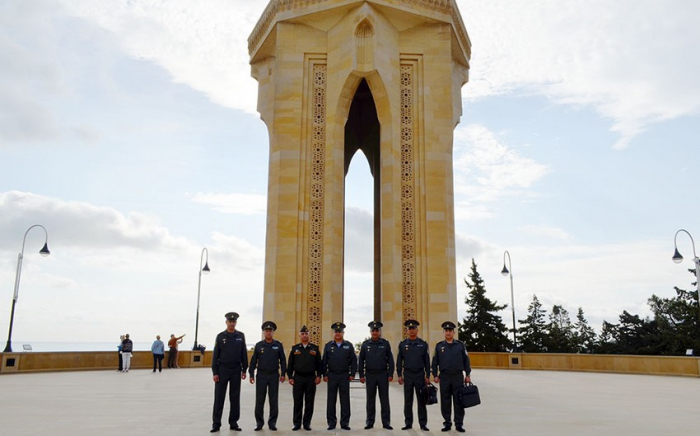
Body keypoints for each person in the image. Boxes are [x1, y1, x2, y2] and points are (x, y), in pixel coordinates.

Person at [431, 321, 471, 433]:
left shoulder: (460, 345)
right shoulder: (439, 346)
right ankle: (447, 423)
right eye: (446, 331)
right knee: (445, 401)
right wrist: (435, 375)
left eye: (450, 331)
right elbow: (435, 362)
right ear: (444, 332)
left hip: (457, 376)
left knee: (458, 401)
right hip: (444, 377)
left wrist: (467, 374)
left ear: (454, 332)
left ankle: (459, 424)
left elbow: (466, 361)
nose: (448, 333)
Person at [211, 312, 248, 433]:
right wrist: (215, 372)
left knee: (235, 397)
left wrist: (244, 370)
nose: (232, 323)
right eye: (230, 321)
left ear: (236, 323)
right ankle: (216, 424)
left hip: (236, 370)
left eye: (234, 321)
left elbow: (244, 354)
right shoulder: (221, 336)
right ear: (226, 322)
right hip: (222, 370)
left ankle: (233, 422)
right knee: (219, 397)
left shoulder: (240, 336)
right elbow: (215, 355)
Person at [249, 321, 287, 431]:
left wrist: (283, 373)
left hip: (274, 375)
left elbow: (283, 360)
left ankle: (272, 423)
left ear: (273, 332)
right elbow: (253, 361)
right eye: (266, 331)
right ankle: (259, 423)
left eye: (270, 331)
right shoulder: (259, 345)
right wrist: (251, 374)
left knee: (273, 400)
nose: (268, 332)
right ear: (264, 333)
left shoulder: (278, 345)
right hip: (261, 375)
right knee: (260, 400)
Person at [358, 321, 394, 430]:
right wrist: (361, 375)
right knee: (370, 400)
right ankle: (369, 422)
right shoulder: (365, 345)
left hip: (383, 374)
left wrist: (391, 373)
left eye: (376, 330)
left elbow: (390, 360)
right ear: (370, 332)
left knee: (384, 399)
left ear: (379, 332)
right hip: (370, 374)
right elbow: (361, 361)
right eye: (373, 330)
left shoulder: (385, 343)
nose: (375, 332)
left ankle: (386, 422)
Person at [396, 319, 431, 431]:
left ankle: (423, 424)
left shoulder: (423, 344)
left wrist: (427, 375)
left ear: (417, 330)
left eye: (413, 329)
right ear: (406, 331)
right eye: (409, 329)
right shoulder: (402, 345)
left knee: (421, 400)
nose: (411, 331)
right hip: (408, 375)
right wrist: (399, 374)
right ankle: (408, 423)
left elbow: (427, 361)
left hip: (420, 375)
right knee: (408, 400)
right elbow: (399, 361)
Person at [322, 321, 357, 431]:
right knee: (331, 400)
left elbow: (353, 361)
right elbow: (324, 361)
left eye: (340, 331)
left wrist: (352, 374)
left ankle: (345, 423)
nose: (338, 333)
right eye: (336, 332)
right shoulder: (328, 346)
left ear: (343, 333)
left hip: (344, 375)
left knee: (345, 400)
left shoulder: (348, 345)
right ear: (333, 333)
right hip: (332, 375)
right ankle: (331, 423)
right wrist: (324, 374)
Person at [287, 325, 322, 431]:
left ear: (309, 336)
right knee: (297, 402)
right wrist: (290, 377)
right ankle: (297, 423)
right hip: (298, 378)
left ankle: (307, 423)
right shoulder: (295, 348)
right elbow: (290, 364)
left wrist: (319, 376)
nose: (304, 335)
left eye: (306, 334)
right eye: (302, 334)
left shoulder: (314, 348)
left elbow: (319, 364)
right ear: (299, 336)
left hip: (311, 378)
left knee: (309, 402)